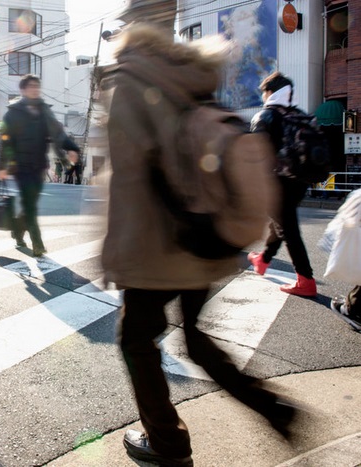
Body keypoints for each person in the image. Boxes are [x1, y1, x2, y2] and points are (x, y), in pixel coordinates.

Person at [101, 2, 298, 465]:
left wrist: (116, 257)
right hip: (208, 233)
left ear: (133, 24)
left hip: (159, 244)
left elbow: (129, 178)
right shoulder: (194, 72)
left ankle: (167, 443)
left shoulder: (132, 78)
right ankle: (276, 409)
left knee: (135, 341)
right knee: (194, 335)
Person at [247, 72, 317, 297]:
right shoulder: (299, 114)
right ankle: (264, 259)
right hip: (301, 181)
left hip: (275, 183)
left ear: (270, 92)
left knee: (287, 227)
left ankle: (305, 279)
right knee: (281, 221)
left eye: (264, 92)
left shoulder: (265, 117)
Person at [0, 74, 80, 257]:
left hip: (38, 165)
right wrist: (2, 165)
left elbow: (58, 133)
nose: (35, 89)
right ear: (23, 90)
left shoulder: (44, 111)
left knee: (30, 204)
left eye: (37, 86)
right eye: (31, 86)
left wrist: (71, 148)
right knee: (30, 205)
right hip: (20, 167)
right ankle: (38, 244)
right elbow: (5, 140)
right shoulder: (13, 112)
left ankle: (18, 230)